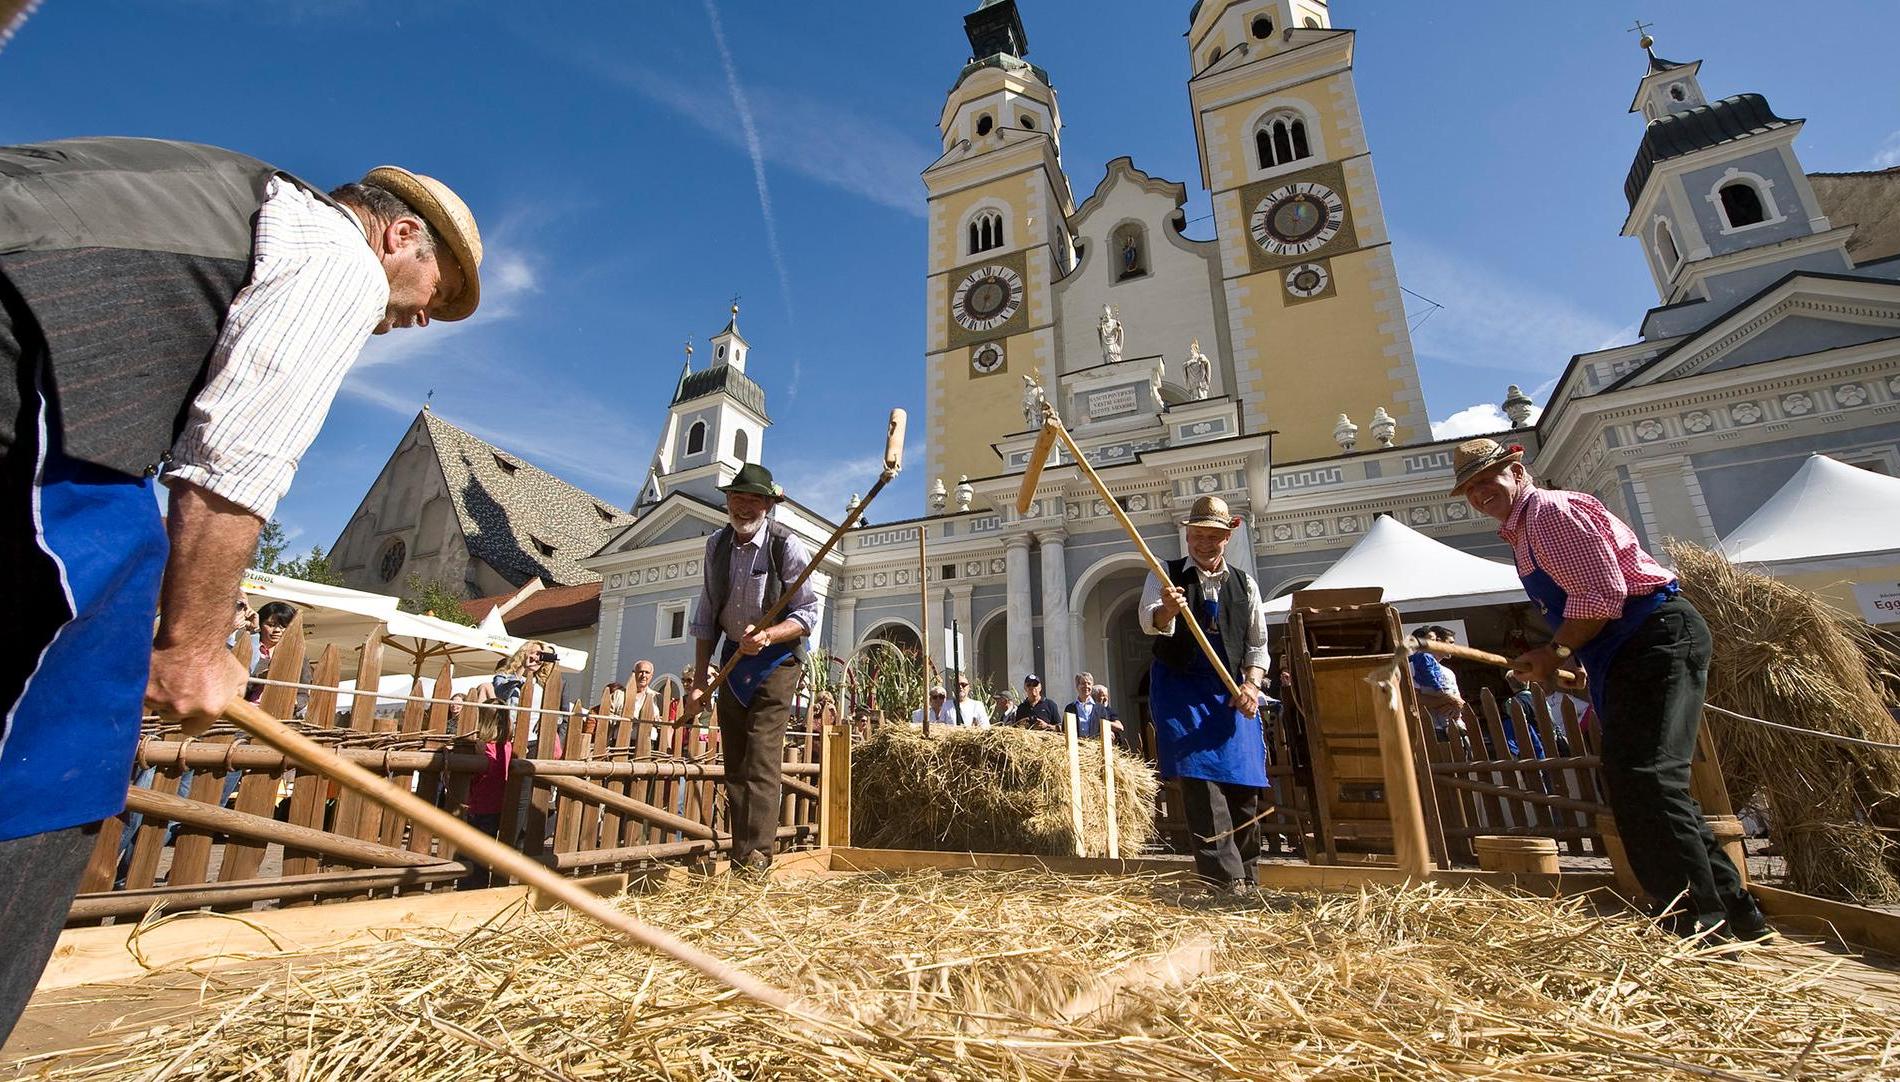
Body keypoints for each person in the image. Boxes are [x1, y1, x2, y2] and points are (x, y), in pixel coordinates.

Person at [0, 137, 480, 1041]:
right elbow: (233, 466)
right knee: (63, 719)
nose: (418, 322)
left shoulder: (233, 199)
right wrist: (191, 644)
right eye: (434, 297)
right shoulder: (335, 258)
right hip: (31, 369)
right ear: (400, 236)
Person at [1451, 438, 1766, 940]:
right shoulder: (1525, 530)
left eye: (1486, 479)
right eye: (1469, 488)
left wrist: (1554, 652)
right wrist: (1566, 660)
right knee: (1641, 779)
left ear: (1517, 468)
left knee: (1646, 777)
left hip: (1654, 636)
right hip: (1627, 648)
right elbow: (1592, 603)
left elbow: (1601, 593)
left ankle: (1698, 921)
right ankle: (1736, 913)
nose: (1478, 492)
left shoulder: (1549, 512)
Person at [681, 463, 818, 873]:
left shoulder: (785, 545)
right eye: (737, 498)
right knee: (735, 759)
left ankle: (757, 856)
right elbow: (707, 611)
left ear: (768, 504)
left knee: (760, 755)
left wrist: (769, 635)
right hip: (733, 657)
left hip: (777, 660)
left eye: (753, 499)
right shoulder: (716, 545)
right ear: (727, 501)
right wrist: (700, 678)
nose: (743, 506)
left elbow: (808, 613)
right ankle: (741, 853)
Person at [1143, 495, 1269, 892]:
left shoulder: (1244, 584)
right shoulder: (1165, 574)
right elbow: (1149, 622)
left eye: (1212, 537)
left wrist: (1251, 684)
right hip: (1182, 691)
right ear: (1188, 535)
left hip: (1230, 692)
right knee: (1201, 783)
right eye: (1197, 535)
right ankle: (1222, 881)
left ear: (1227, 536)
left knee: (1244, 783)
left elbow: (1257, 644)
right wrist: (1168, 610)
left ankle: (1249, 876)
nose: (1204, 544)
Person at [1091, 684, 1130, 750]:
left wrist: (1103, 723)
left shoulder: (1108, 710)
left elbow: (1120, 727)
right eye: (1102, 696)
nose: (1106, 699)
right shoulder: (1090, 710)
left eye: (1106, 696)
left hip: (1113, 747)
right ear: (1094, 697)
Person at [1065, 672, 1101, 738]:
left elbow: (1104, 728)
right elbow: (1064, 729)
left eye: (1089, 684)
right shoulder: (1070, 708)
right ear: (1077, 686)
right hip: (1076, 745)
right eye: (1083, 683)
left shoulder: (1100, 709)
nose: (1086, 686)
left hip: (1095, 745)